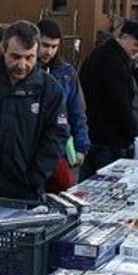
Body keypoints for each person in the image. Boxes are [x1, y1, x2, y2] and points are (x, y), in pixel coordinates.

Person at [0, 21, 68, 200]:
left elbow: (56, 136)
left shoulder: (50, 89)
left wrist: (36, 177)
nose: (22, 65)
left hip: (26, 191)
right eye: (15, 57)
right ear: (2, 50)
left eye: (29, 57)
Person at [78, 21, 138, 177]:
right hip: (110, 140)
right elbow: (120, 105)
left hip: (95, 135)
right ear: (124, 37)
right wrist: (135, 135)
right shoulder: (114, 62)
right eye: (137, 44)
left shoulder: (100, 54)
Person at [37, 18, 90, 190]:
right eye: (45, 45)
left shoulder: (67, 73)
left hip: (61, 148)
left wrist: (81, 146)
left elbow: (77, 111)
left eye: (54, 47)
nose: (49, 51)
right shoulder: (27, 70)